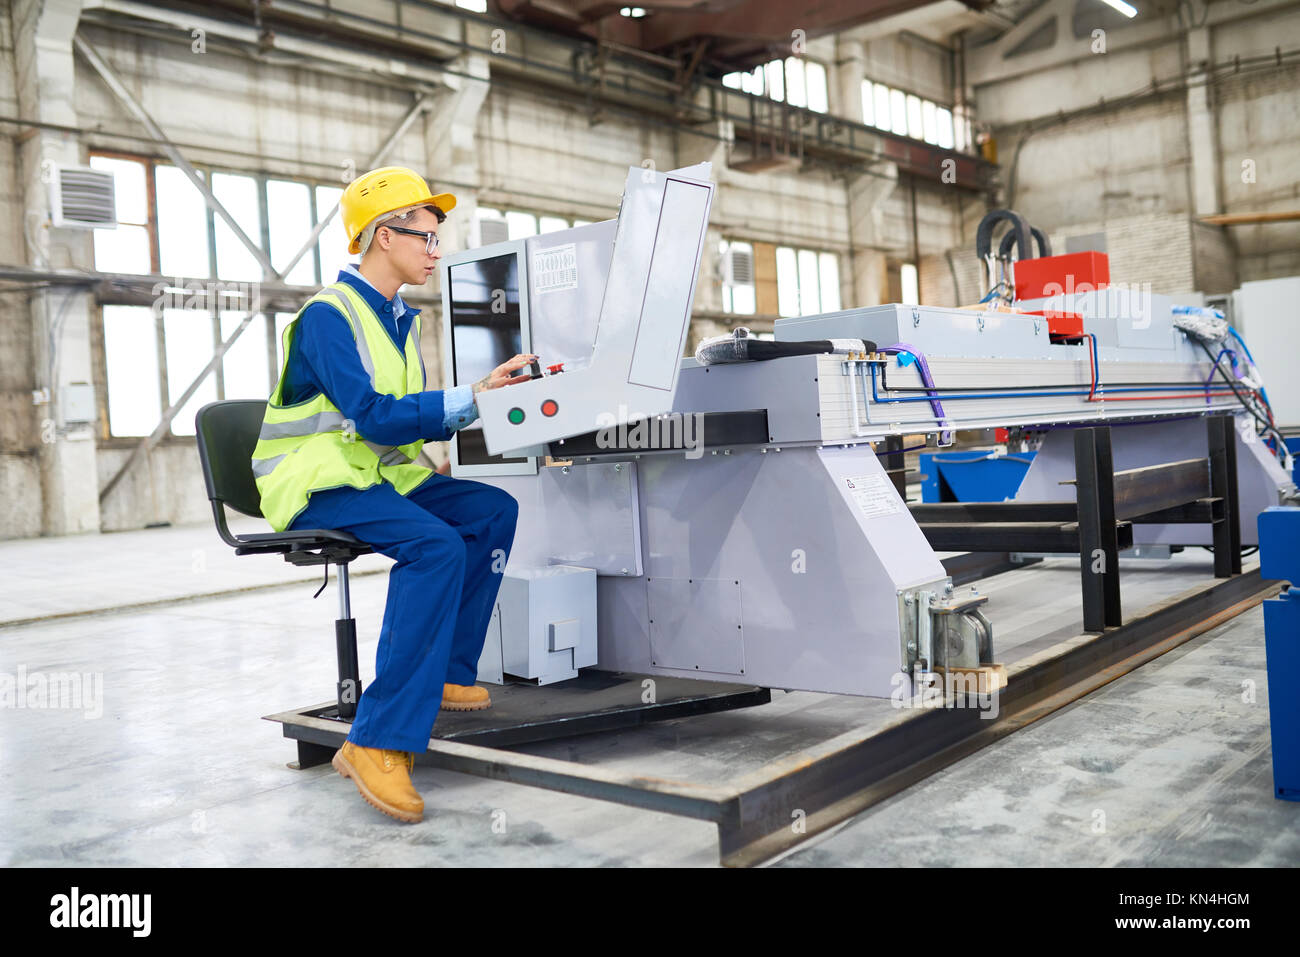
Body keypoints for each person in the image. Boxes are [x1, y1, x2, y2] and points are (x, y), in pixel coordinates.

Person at [251, 166, 536, 823]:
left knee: (491, 510)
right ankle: (376, 738)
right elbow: (373, 413)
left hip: (375, 473)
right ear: (384, 235)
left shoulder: (399, 319)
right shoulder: (330, 316)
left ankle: (445, 670)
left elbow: (399, 429)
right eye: (427, 238)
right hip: (314, 478)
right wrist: (474, 398)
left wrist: (438, 459)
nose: (436, 251)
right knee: (434, 546)